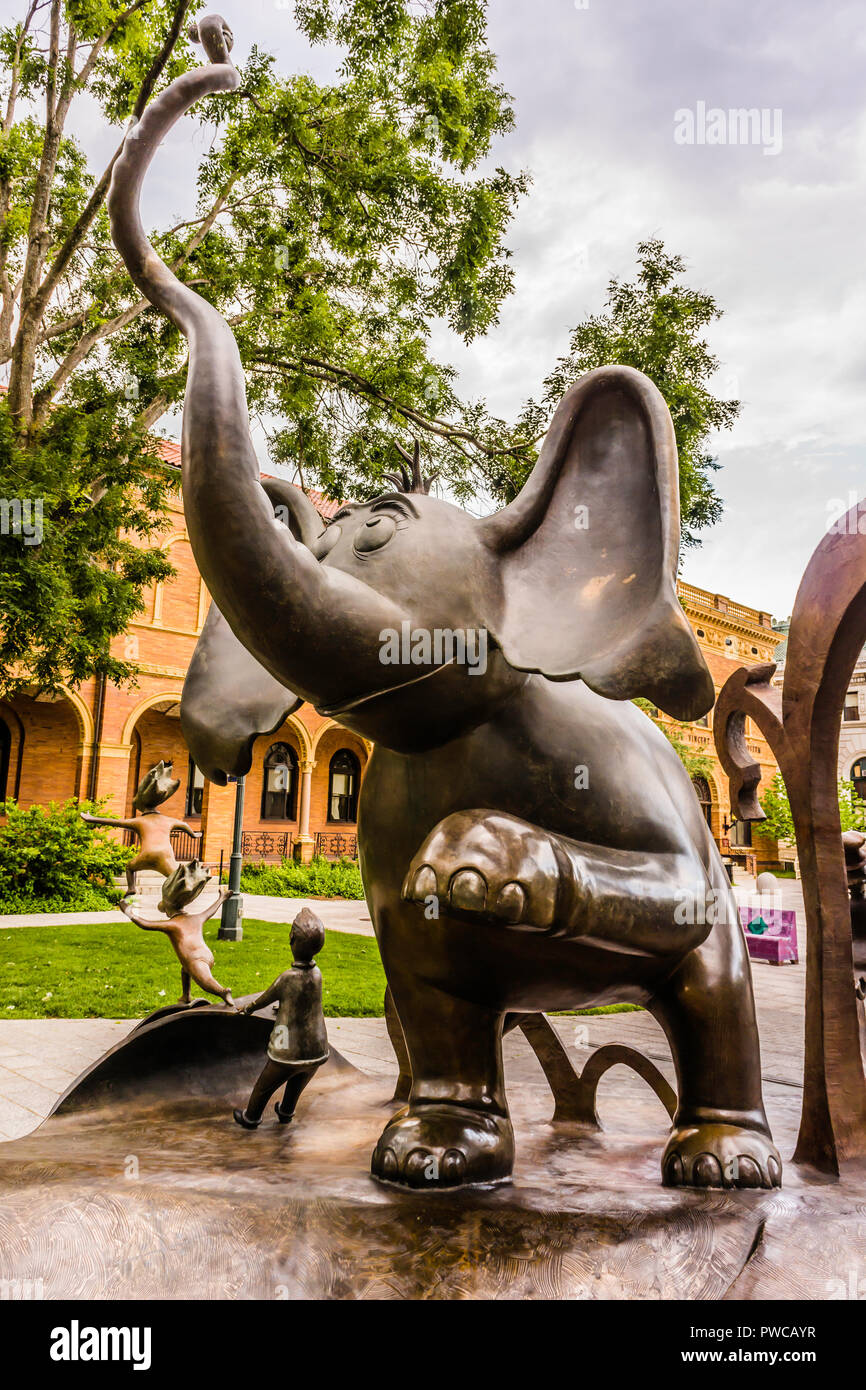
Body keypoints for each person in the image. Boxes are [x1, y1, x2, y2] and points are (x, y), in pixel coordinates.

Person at [233, 906, 328, 1128]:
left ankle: (252, 1117)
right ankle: (286, 1112)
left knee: (265, 1085)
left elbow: (264, 999)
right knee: (298, 1080)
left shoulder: (288, 978)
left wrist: (248, 1009)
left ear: (292, 940)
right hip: (315, 1047)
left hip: (288, 1048)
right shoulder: (317, 974)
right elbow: (305, 1001)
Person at [119, 863, 236, 1009]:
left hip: (195, 959)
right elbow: (210, 911)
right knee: (185, 969)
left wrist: (127, 911)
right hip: (206, 955)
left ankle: (223, 992)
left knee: (205, 980)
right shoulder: (196, 918)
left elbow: (144, 924)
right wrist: (222, 898)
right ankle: (186, 995)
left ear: (168, 907)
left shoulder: (172, 925)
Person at [81, 760, 202, 896]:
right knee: (176, 877)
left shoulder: (139, 821)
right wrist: (194, 835)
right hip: (165, 855)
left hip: (147, 854)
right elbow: (185, 825)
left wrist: (91, 818)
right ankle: (185, 893)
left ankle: (131, 888)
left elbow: (115, 822)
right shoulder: (168, 820)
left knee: (130, 867)